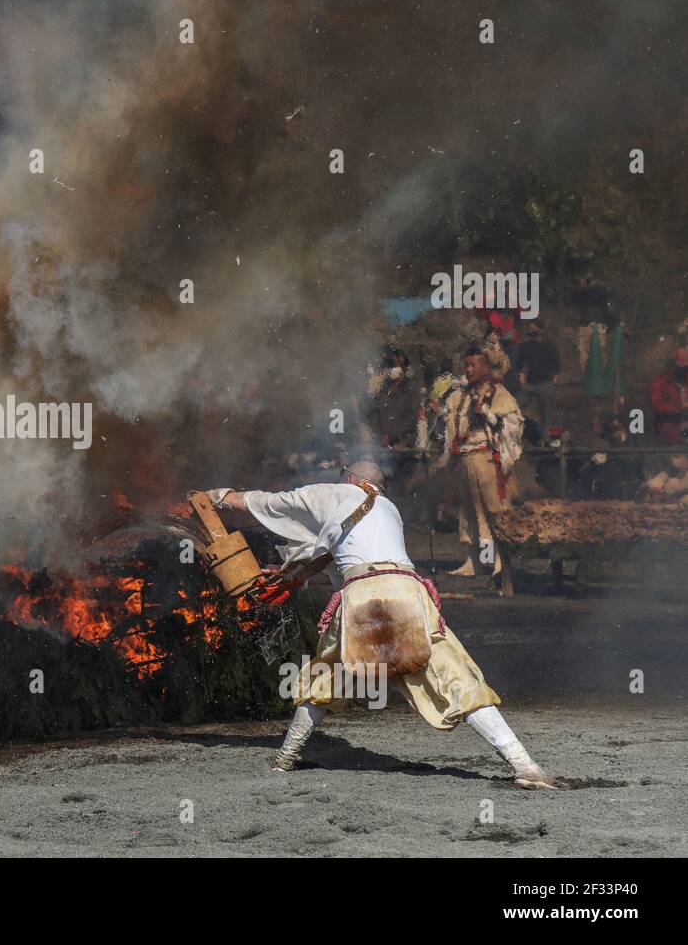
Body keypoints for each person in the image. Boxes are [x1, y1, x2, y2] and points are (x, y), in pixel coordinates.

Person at [199, 460, 558, 789]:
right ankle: (525, 765)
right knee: (457, 676)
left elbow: (270, 502)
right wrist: (290, 572)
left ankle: (285, 760)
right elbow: (339, 547)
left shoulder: (335, 492)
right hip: (407, 590)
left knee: (324, 677)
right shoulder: (389, 509)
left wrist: (219, 497)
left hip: (362, 594)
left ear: (350, 479)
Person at [440, 347, 524, 577]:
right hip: (464, 460)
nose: (467, 370)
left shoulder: (498, 392)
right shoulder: (459, 395)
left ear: (485, 367)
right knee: (468, 513)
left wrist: (486, 413)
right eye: (466, 365)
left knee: (494, 511)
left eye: (472, 365)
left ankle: (500, 562)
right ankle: (474, 561)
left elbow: (513, 422)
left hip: (486, 459)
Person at [514, 322, 562, 431]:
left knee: (546, 415)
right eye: (529, 329)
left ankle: (545, 438)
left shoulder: (550, 346)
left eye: (534, 329)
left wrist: (553, 382)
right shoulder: (525, 346)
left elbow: (557, 366)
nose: (531, 331)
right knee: (514, 406)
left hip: (545, 384)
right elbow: (519, 363)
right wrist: (521, 376)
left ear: (542, 330)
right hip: (529, 385)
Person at [648, 348, 688, 444]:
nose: (685, 369)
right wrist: (680, 407)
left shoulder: (684, 381)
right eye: (682, 366)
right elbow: (657, 406)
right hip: (668, 430)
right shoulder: (659, 383)